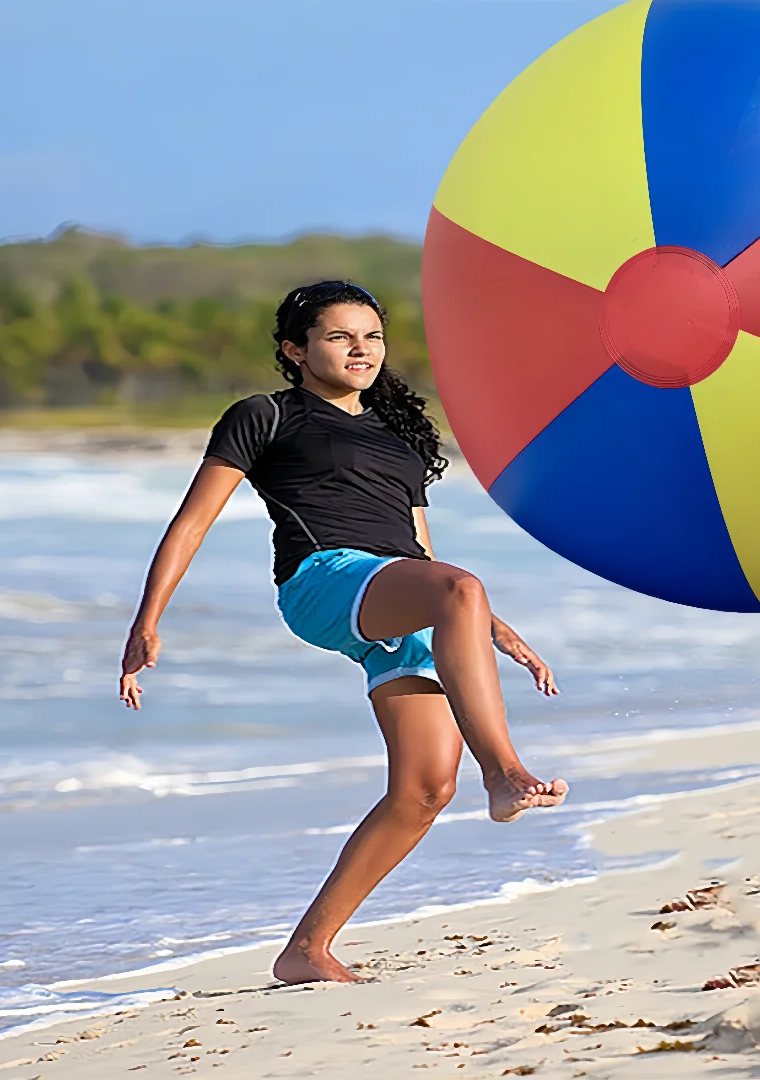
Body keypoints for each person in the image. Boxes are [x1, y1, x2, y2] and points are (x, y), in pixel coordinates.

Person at [119, 280, 568, 985]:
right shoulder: (264, 416)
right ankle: (505, 772)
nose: (360, 349)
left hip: (400, 592)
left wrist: (489, 623)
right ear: (296, 350)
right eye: (338, 336)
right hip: (324, 581)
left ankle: (306, 950)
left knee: (424, 791)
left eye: (372, 337)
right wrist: (147, 619)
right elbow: (192, 521)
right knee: (461, 590)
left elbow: (422, 555)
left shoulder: (399, 438)